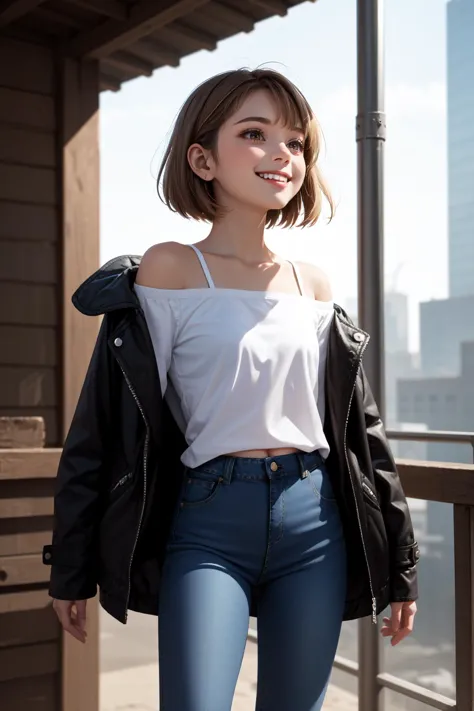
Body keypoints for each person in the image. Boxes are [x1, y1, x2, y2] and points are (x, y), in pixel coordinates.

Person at [44, 68, 419, 711]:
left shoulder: (316, 285)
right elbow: (102, 426)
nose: (282, 154)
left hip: (316, 521)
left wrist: (401, 566)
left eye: (296, 143)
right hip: (208, 520)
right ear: (202, 158)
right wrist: (71, 565)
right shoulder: (170, 269)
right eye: (255, 133)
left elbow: (365, 434)